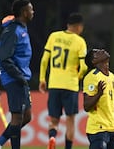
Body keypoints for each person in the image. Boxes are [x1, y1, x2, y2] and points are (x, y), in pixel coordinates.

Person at [0, 0, 34, 149]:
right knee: (17, 117)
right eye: (30, 9)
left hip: (21, 77)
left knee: (26, 117)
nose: (33, 12)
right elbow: (4, 57)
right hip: (14, 78)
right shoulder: (12, 31)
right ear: (23, 12)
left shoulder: (21, 28)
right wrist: (18, 76)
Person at [38, 13, 88, 149]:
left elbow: (44, 60)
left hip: (54, 84)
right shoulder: (79, 42)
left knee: (54, 120)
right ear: (79, 27)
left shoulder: (54, 36)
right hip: (70, 85)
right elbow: (84, 67)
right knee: (70, 121)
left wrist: (42, 79)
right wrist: (77, 78)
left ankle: (52, 137)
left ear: (68, 25)